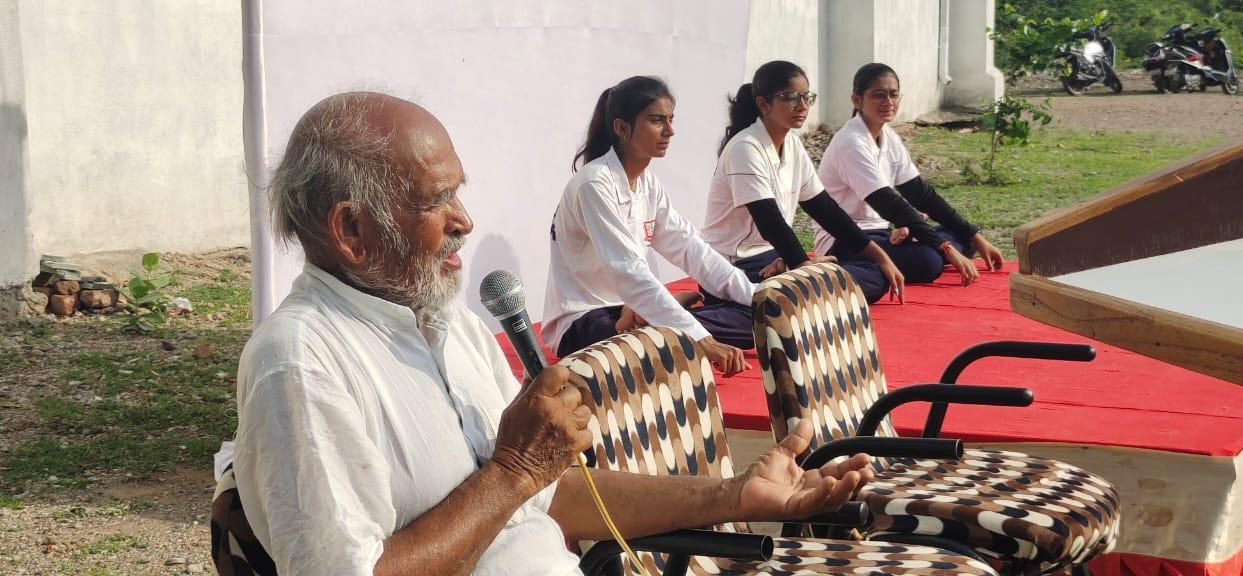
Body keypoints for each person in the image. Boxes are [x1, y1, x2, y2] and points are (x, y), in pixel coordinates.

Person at [230, 91, 874, 576]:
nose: (465, 220)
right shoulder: (302, 366)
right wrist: (512, 469)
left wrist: (736, 493)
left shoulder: (449, 326)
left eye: (460, 193)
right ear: (351, 231)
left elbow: (548, 496)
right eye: (436, 200)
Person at [542, 76, 756, 372]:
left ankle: (653, 316)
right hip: (584, 321)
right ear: (622, 128)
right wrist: (700, 338)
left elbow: (692, 249)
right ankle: (654, 318)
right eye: (657, 120)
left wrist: (760, 300)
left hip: (632, 307)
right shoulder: (594, 185)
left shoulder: (647, 184)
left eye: (670, 119)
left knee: (754, 320)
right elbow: (628, 271)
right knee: (658, 345)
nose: (670, 130)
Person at [702, 60, 905, 304]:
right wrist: (803, 266)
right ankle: (783, 290)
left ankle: (794, 283)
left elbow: (826, 210)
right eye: (790, 97)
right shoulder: (745, 148)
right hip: (735, 264)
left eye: (806, 97)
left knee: (875, 276)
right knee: (796, 297)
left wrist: (881, 257)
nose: (802, 106)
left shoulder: (793, 144)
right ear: (763, 104)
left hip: (772, 258)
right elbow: (769, 221)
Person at [817, 63, 1004, 286]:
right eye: (879, 95)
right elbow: (888, 203)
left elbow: (920, 194)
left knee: (962, 236)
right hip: (846, 241)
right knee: (929, 261)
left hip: (882, 232)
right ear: (857, 100)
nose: (888, 102)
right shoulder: (851, 142)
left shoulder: (888, 136)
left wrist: (975, 235)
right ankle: (848, 267)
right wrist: (945, 248)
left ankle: (920, 242)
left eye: (893, 94)